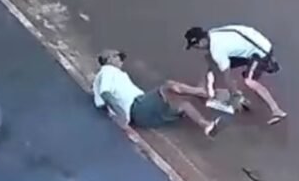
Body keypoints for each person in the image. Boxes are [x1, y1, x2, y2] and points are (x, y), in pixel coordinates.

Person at [92, 49, 221, 137]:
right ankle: (202, 92)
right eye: (118, 56)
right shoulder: (107, 71)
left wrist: (120, 117)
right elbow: (105, 93)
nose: (121, 60)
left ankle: (207, 126)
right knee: (168, 86)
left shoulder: (103, 78)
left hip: (141, 120)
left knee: (183, 105)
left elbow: (100, 103)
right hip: (138, 106)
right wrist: (121, 115)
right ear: (109, 59)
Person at [184, 25, 287, 125]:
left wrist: (234, 94)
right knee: (210, 59)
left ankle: (276, 110)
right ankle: (205, 89)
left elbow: (227, 75)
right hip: (254, 40)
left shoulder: (217, 50)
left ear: (202, 41)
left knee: (249, 81)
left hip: (260, 51)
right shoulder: (213, 33)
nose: (197, 49)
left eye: (196, 46)